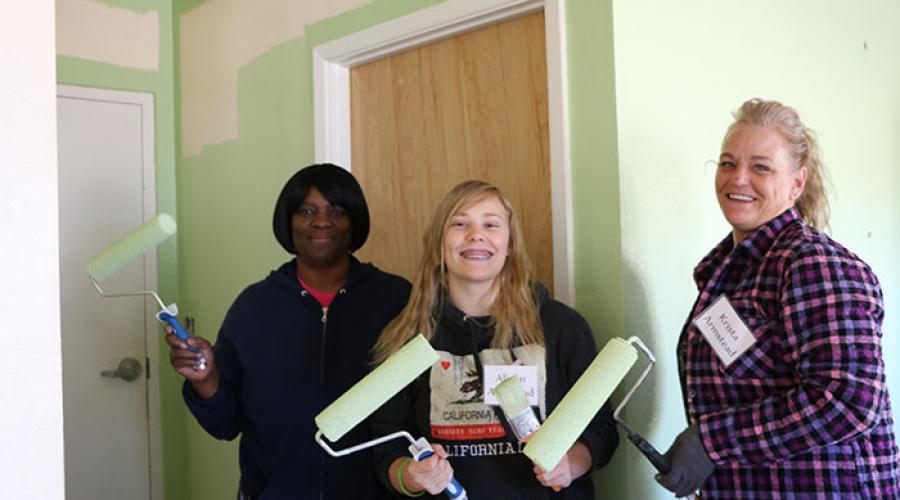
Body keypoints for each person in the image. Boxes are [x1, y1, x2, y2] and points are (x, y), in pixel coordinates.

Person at [657, 98, 900, 497]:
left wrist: (711, 443)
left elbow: (847, 402)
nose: (738, 179)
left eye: (761, 167)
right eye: (728, 163)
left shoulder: (815, 264)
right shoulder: (730, 273)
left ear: (797, 183)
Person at [166, 163, 411, 499]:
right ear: (289, 222)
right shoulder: (254, 307)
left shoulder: (397, 300)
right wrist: (205, 378)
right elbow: (225, 424)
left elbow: (424, 405)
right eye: (306, 210)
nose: (321, 221)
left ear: (355, 222)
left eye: (336, 210)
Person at [370, 180, 619, 498]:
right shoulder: (406, 339)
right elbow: (387, 447)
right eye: (460, 223)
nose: (476, 234)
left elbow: (601, 430)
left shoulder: (561, 328)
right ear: (438, 244)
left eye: (490, 224)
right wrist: (412, 475)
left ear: (510, 244)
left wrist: (571, 464)